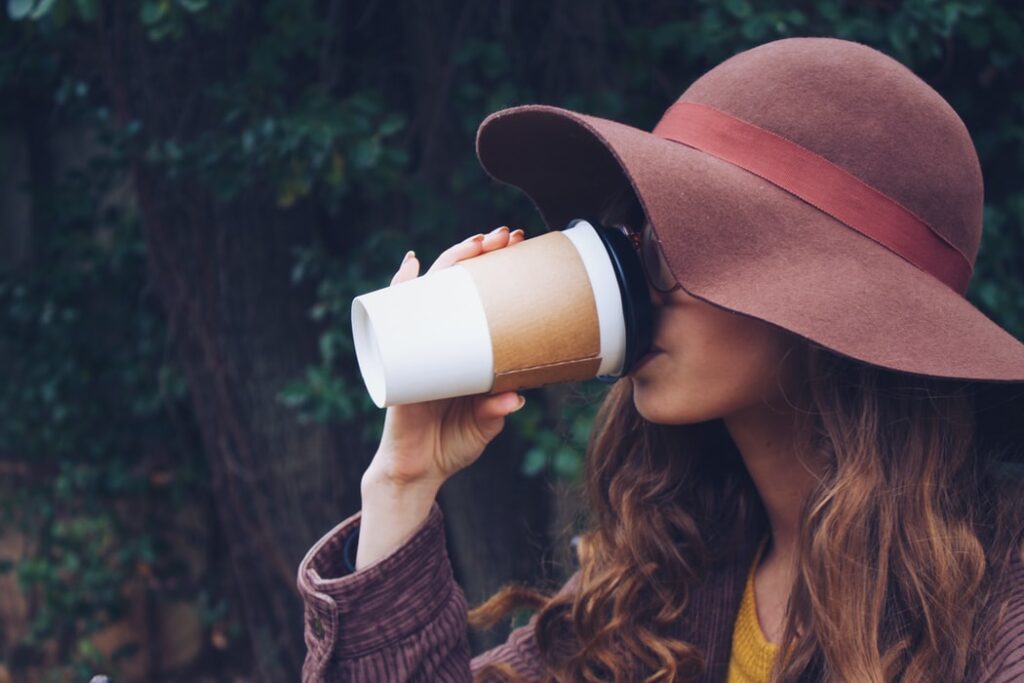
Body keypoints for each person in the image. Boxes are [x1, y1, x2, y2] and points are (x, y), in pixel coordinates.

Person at [296, 37, 1024, 682]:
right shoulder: (660, 584)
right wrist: (402, 483)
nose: (631, 285)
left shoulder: (994, 618)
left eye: (677, 245)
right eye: (627, 239)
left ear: (828, 305)